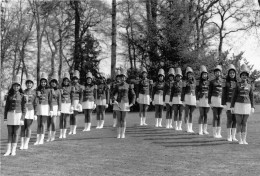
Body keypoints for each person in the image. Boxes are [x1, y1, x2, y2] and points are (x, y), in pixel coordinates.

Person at [230, 64, 255, 144]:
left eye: (245, 75)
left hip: (247, 105)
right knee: (239, 122)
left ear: (247, 76)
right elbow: (233, 96)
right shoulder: (237, 85)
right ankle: (240, 139)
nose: (244, 76)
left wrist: (253, 107)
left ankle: (244, 139)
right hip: (238, 105)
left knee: (244, 123)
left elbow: (251, 97)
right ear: (240, 76)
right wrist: (232, 106)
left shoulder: (250, 86)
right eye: (243, 75)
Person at [4, 75, 26, 156]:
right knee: (10, 133)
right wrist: (5, 118)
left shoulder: (22, 96)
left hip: (18, 115)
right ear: (12, 86)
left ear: (19, 87)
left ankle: (13, 150)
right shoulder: (9, 95)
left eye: (17, 86)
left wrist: (22, 119)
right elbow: (6, 108)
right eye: (14, 85)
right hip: (10, 115)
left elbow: (24, 108)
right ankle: (8, 150)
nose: (16, 87)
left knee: (16, 133)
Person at [112, 68, 136, 138]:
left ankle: (123, 133)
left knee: (124, 119)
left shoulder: (129, 85)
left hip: (125, 103)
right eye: (121, 77)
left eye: (123, 77)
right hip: (118, 103)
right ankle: (118, 134)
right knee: (119, 119)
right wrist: (114, 99)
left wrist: (132, 103)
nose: (122, 78)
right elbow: (112, 94)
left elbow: (133, 95)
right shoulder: (117, 85)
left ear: (125, 78)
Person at [20, 75, 37, 150]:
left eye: (30, 83)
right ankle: (22, 144)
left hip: (30, 111)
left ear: (32, 84)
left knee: (28, 128)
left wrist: (35, 113)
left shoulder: (34, 92)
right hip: (23, 111)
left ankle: (26, 144)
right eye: (28, 83)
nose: (29, 84)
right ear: (26, 84)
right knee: (22, 127)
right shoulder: (23, 92)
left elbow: (35, 103)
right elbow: (21, 102)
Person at [35, 73, 52, 145]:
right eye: (42, 82)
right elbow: (35, 100)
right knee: (38, 124)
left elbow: (50, 100)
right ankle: (37, 139)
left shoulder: (49, 90)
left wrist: (51, 110)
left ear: (46, 82)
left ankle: (42, 139)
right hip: (39, 106)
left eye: (44, 82)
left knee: (43, 124)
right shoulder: (37, 89)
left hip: (45, 107)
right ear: (40, 82)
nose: (43, 83)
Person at [222, 64, 238, 141]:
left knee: (235, 120)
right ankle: (229, 136)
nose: (232, 74)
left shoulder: (238, 82)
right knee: (229, 119)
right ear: (228, 74)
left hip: (236, 104)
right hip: (228, 103)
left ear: (235, 74)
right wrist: (223, 104)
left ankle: (234, 136)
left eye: (233, 73)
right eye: (230, 73)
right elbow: (223, 93)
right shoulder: (225, 82)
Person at [208, 65, 224, 138]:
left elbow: (224, 92)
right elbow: (209, 92)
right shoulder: (211, 82)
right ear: (214, 73)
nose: (217, 73)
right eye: (216, 72)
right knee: (215, 116)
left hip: (221, 100)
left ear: (220, 73)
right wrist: (209, 101)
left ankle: (219, 133)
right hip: (214, 99)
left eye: (218, 72)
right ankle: (214, 133)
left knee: (220, 117)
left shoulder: (223, 81)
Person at [46, 73, 61, 142]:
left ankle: (53, 136)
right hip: (48, 106)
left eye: (55, 82)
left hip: (55, 107)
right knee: (48, 122)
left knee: (53, 122)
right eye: (52, 82)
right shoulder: (48, 90)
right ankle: (48, 136)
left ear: (56, 83)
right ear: (50, 83)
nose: (53, 83)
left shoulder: (58, 91)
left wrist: (59, 110)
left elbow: (59, 100)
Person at [196, 65, 210, 135]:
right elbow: (196, 91)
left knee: (206, 115)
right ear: (201, 75)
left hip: (207, 100)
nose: (204, 75)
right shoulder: (198, 82)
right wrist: (197, 99)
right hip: (201, 99)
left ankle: (205, 130)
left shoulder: (209, 82)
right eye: (203, 74)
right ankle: (200, 130)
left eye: (205, 74)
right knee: (201, 115)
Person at [182, 67, 196, 133]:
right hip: (187, 97)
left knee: (191, 114)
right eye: (188, 74)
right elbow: (182, 91)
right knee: (186, 113)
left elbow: (197, 90)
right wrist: (182, 100)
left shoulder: (195, 81)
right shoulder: (184, 82)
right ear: (187, 75)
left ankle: (191, 128)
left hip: (193, 97)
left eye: (191, 74)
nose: (190, 75)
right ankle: (187, 127)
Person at [69, 70, 83, 135]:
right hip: (70, 102)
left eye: (76, 79)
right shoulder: (70, 86)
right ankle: (70, 129)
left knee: (74, 116)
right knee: (71, 116)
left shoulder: (80, 86)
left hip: (76, 101)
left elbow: (81, 96)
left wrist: (80, 103)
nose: (75, 80)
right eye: (74, 79)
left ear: (78, 79)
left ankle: (74, 130)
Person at [60, 72, 72, 138]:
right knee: (61, 119)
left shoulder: (71, 88)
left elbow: (72, 96)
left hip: (68, 104)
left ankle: (64, 133)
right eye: (65, 80)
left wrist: (72, 105)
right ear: (63, 81)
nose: (66, 82)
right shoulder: (60, 88)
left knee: (66, 119)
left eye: (67, 81)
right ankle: (61, 133)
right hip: (62, 103)